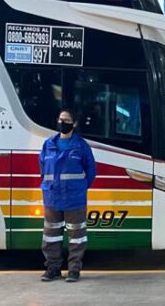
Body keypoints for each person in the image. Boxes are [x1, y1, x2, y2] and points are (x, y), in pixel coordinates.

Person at [39, 109, 96, 283]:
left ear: (74, 123)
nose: (63, 123)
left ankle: (73, 271)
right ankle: (52, 268)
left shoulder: (81, 146)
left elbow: (91, 171)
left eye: (67, 120)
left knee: (77, 237)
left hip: (74, 199)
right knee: (51, 236)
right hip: (52, 198)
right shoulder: (48, 144)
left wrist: (79, 188)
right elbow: (43, 169)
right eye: (61, 119)